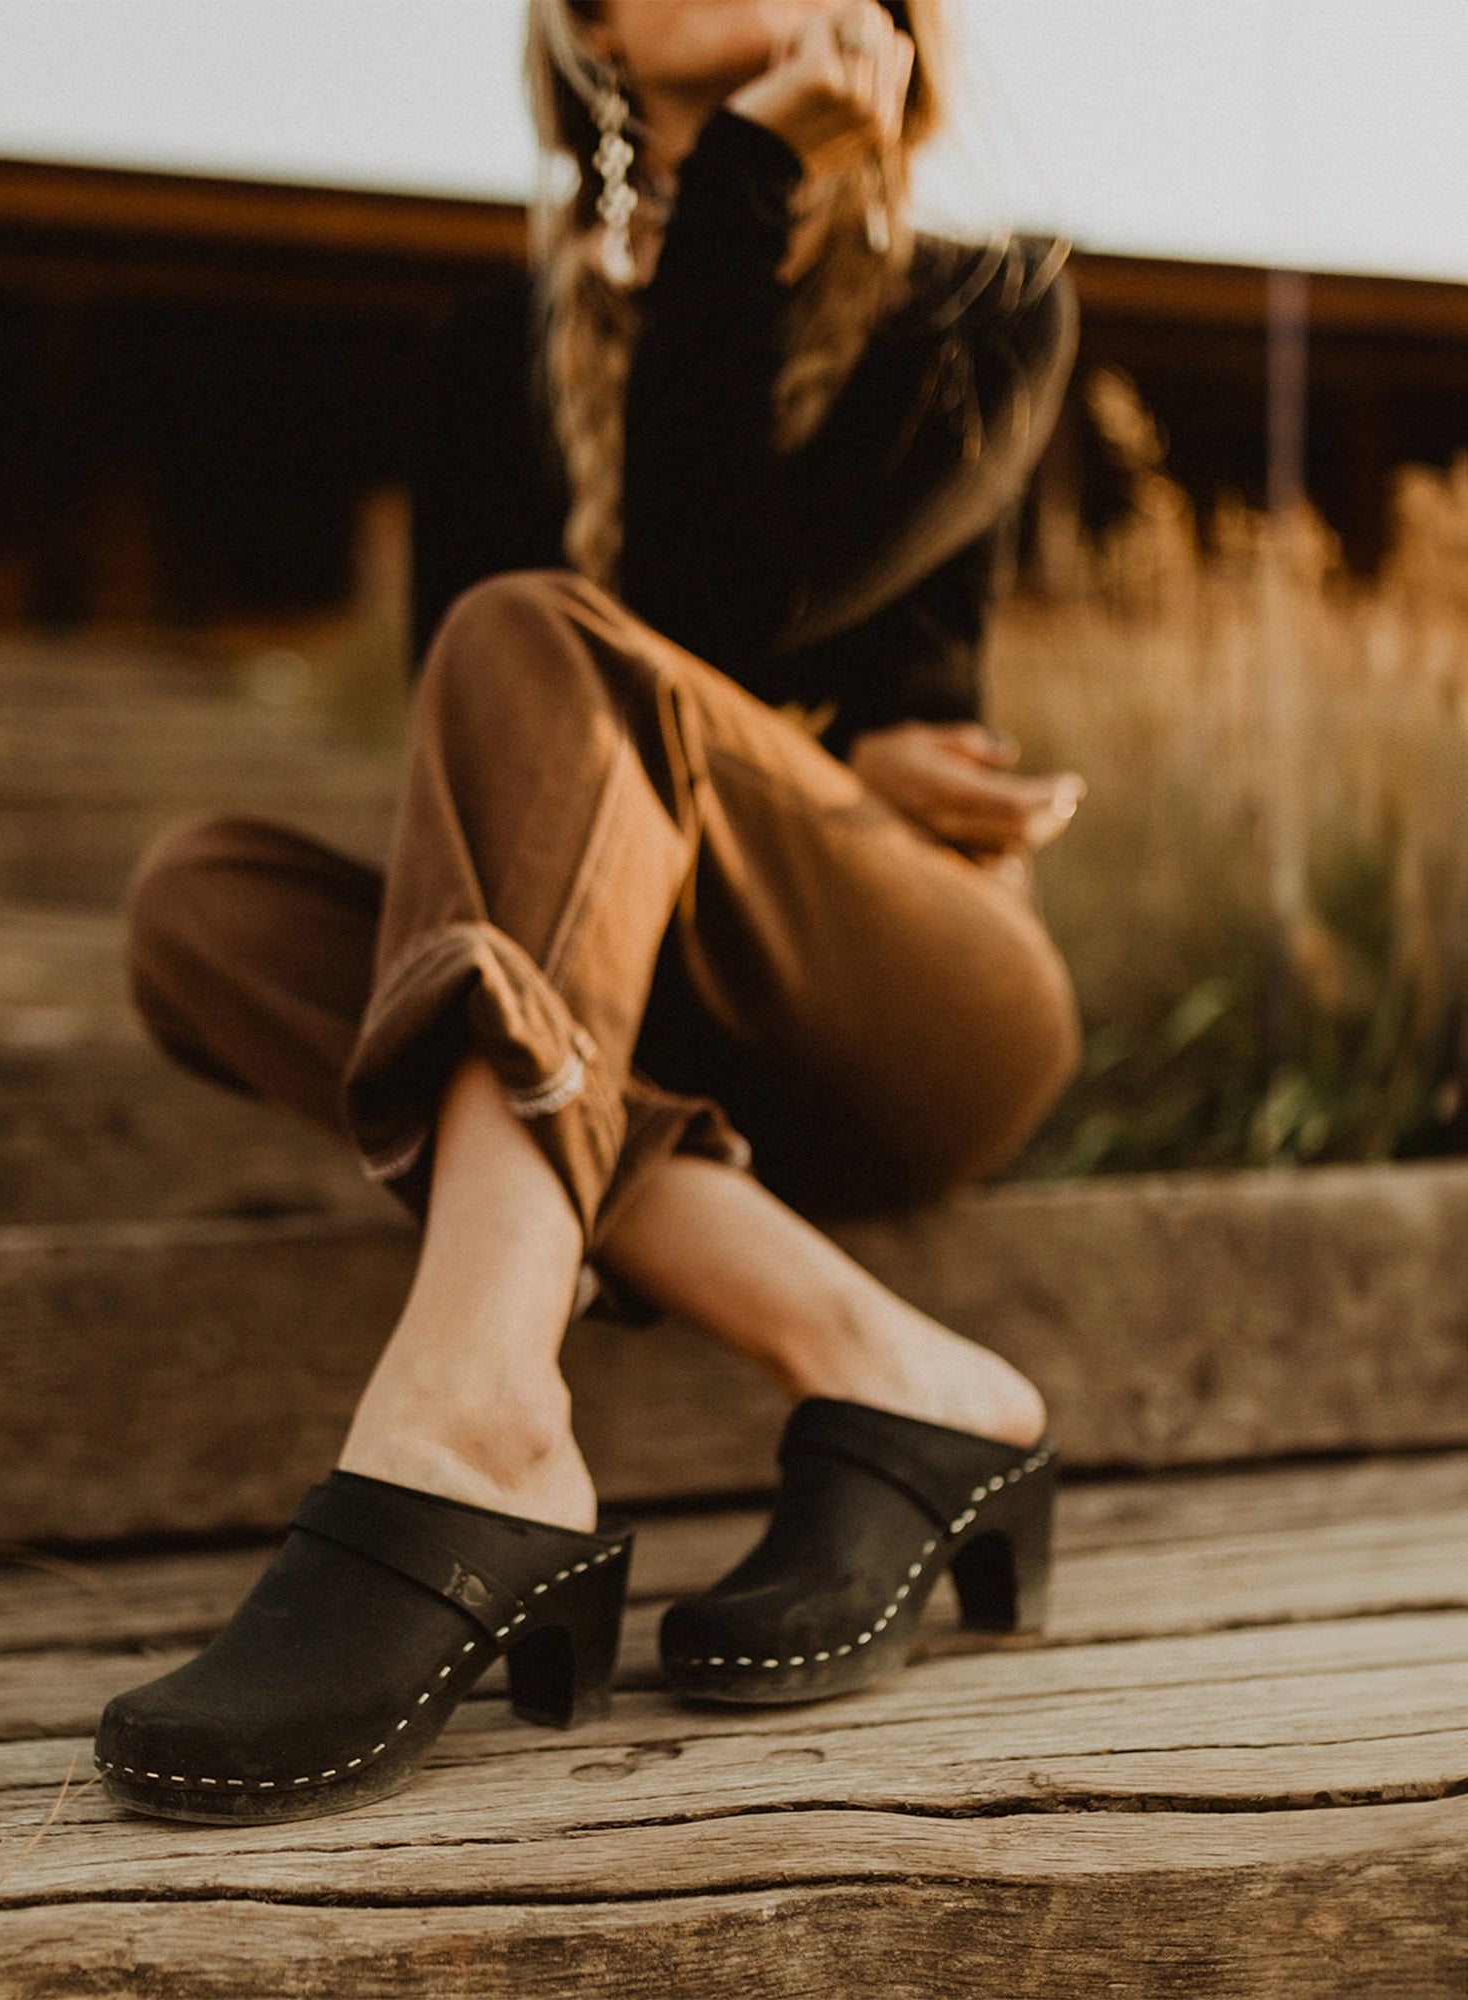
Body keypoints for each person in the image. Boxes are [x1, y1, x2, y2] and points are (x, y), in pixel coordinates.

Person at [95, 0, 1085, 1825]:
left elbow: (694, 618)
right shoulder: (492, 353)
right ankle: (885, 1359)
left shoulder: (983, 304)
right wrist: (828, 744)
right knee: (196, 904)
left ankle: (478, 1404)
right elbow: (483, 770)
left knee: (541, 630)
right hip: (617, 1002)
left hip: (899, 993)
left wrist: (749, 180)